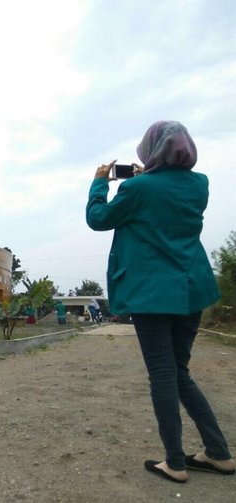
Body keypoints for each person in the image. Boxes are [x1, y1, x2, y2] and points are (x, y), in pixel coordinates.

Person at [86, 120, 234, 484]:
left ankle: (175, 462)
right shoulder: (200, 185)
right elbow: (165, 200)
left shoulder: (137, 188)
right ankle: (218, 453)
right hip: (192, 290)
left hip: (153, 295)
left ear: (152, 149)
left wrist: (99, 182)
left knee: (163, 376)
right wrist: (145, 178)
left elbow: (97, 219)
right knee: (180, 372)